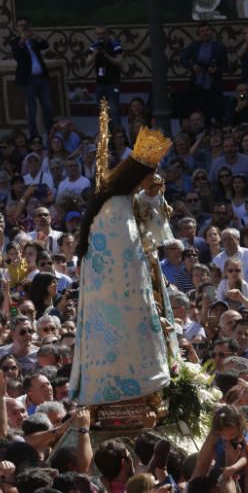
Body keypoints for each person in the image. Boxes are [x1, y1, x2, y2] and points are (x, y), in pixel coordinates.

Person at [70, 127, 176, 410]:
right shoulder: (115, 207)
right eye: (147, 176)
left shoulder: (123, 199)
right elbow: (129, 253)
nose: (149, 181)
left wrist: (154, 198)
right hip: (120, 295)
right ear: (136, 176)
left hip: (127, 292)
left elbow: (154, 235)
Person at [9, 17, 53, 138]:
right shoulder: (15, 41)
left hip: (41, 78)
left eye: (25, 25)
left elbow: (45, 45)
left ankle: (51, 131)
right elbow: (17, 55)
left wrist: (37, 36)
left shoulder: (34, 41)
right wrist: (22, 40)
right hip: (28, 80)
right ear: (17, 29)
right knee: (32, 108)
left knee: (48, 105)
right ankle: (34, 135)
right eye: (20, 25)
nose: (23, 27)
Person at [87, 26, 123, 127]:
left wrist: (107, 56)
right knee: (102, 111)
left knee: (114, 110)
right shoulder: (94, 46)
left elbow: (120, 62)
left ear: (107, 34)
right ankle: (106, 134)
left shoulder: (115, 45)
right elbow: (87, 62)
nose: (100, 36)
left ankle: (117, 133)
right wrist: (95, 54)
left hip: (113, 82)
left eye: (103, 33)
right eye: (98, 34)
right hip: (100, 83)